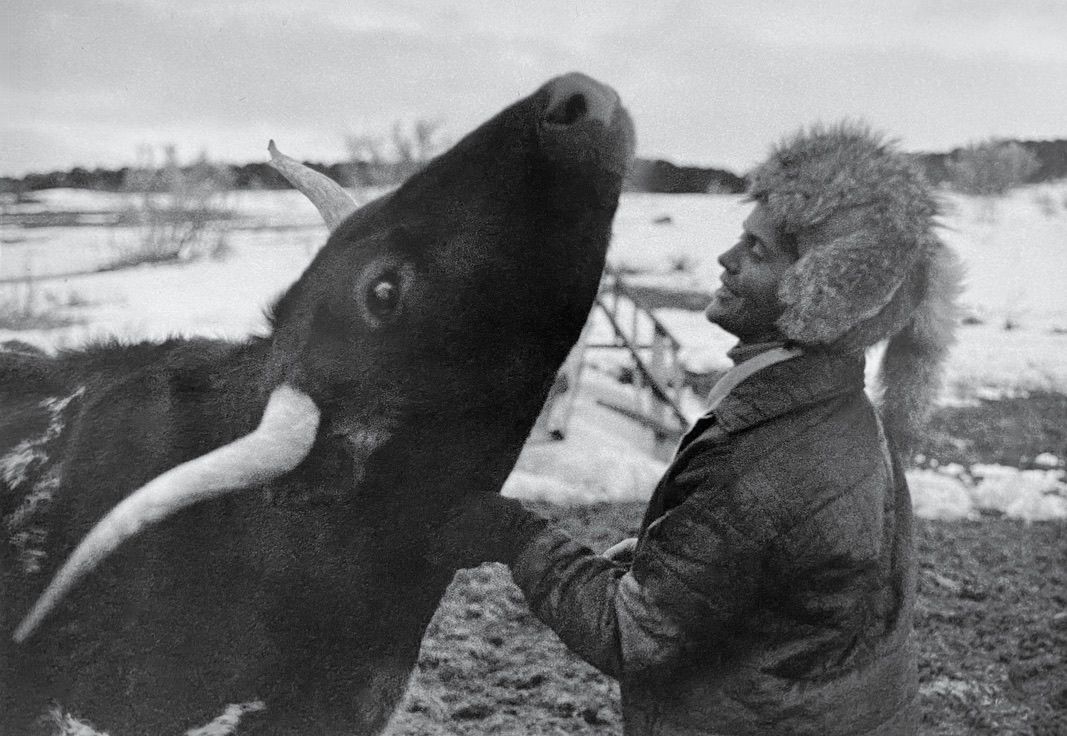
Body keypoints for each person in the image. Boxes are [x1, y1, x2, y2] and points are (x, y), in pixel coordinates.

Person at [430, 123, 963, 735]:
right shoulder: (837, 415)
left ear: (823, 293)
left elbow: (631, 634)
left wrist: (516, 535)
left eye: (757, 250)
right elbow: (784, 580)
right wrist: (669, 558)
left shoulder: (766, 457)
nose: (726, 259)